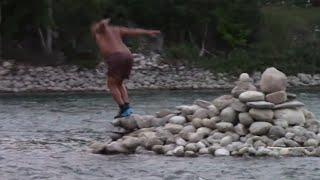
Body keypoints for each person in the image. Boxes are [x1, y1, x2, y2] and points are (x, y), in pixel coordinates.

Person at [91, 19, 161, 118]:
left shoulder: (100, 32)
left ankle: (123, 108)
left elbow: (99, 27)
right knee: (119, 83)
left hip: (116, 56)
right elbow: (133, 31)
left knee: (111, 84)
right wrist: (148, 32)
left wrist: (102, 24)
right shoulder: (116, 29)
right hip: (128, 56)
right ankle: (127, 107)